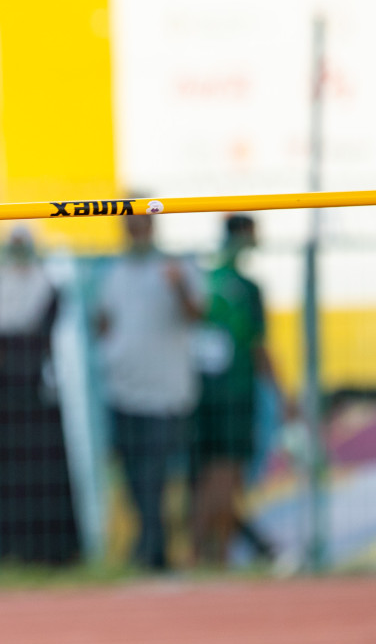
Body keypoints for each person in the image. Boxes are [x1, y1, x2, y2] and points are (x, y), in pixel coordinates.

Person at [95, 211, 205, 571]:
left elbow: (197, 314)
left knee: (154, 476)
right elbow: (104, 320)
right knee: (131, 477)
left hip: (166, 394)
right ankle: (150, 547)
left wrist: (178, 287)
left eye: (141, 223)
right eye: (130, 224)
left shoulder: (177, 268)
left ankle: (153, 551)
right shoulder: (116, 272)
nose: (135, 231)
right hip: (124, 390)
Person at [190, 214, 283, 567]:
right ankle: (213, 555)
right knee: (226, 477)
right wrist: (280, 394)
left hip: (203, 394)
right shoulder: (244, 288)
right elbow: (258, 346)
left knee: (210, 475)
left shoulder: (203, 278)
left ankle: (202, 552)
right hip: (235, 392)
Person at [0, 229, 79, 565]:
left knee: (44, 472)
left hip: (40, 396)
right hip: (7, 399)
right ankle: (15, 549)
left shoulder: (49, 286)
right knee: (11, 475)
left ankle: (50, 551)